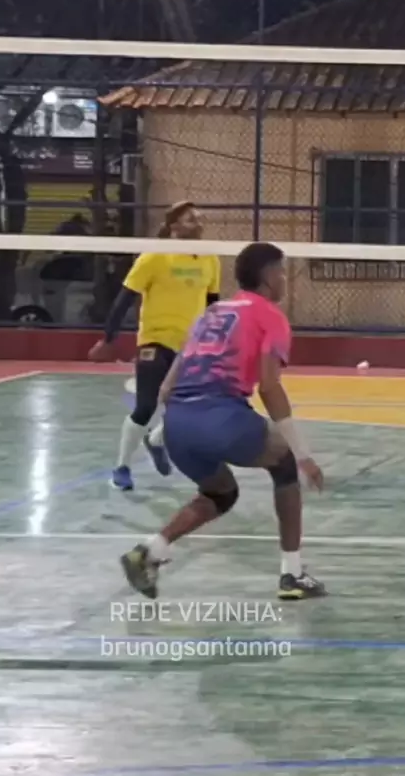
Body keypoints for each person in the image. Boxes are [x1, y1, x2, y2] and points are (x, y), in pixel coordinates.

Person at [120, 242, 326, 601]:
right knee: (285, 465)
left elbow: (167, 389)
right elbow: (269, 387)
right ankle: (292, 575)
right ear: (268, 276)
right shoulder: (271, 316)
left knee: (221, 493)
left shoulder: (212, 313)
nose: (284, 279)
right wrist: (303, 454)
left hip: (178, 426)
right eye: (281, 271)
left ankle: (150, 551)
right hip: (222, 418)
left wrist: (167, 433)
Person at [89, 201, 221, 490]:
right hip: (155, 340)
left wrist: (215, 338)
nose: (198, 223)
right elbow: (124, 299)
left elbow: (212, 303)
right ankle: (121, 467)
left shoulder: (210, 259)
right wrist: (108, 339)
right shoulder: (154, 257)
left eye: (199, 218)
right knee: (147, 405)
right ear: (174, 226)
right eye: (190, 219)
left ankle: (157, 439)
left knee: (193, 408)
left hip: (190, 345)